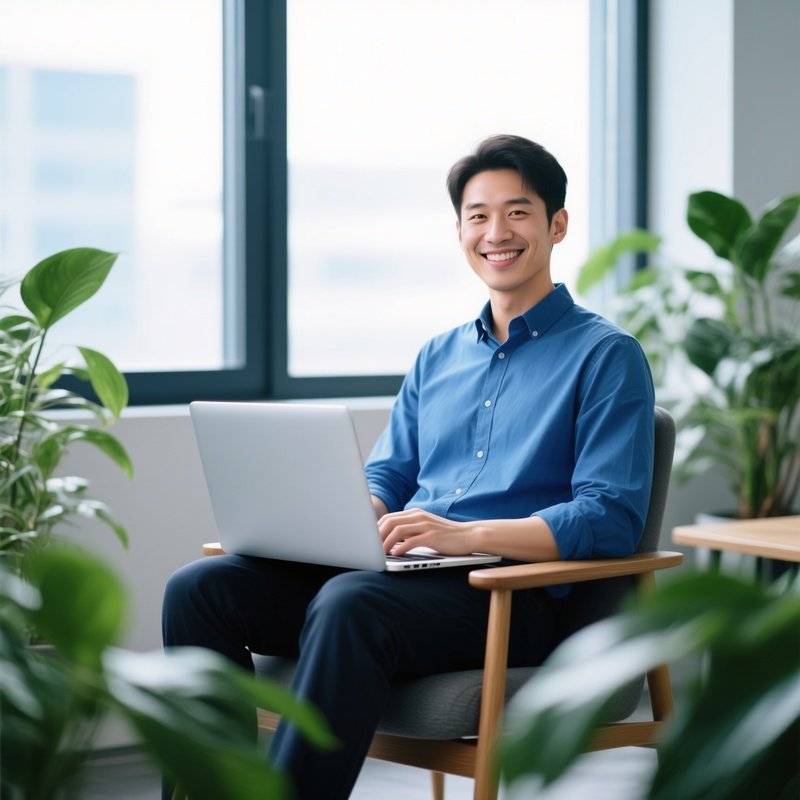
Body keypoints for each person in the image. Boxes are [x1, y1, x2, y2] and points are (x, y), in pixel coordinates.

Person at [162, 134, 655, 799]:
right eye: (478, 216)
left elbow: (611, 516)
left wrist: (466, 536)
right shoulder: (437, 357)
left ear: (557, 225)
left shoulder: (607, 356)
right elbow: (388, 476)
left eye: (517, 212)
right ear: (460, 232)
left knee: (350, 601)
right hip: (407, 580)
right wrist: (349, 518)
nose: (496, 233)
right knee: (199, 589)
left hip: (513, 595)